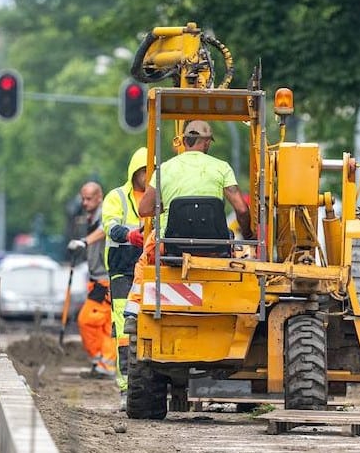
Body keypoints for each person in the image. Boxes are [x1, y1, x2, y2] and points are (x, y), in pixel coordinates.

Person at [137, 119, 253, 242]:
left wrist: (169, 206)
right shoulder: (222, 168)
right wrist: (248, 235)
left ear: (184, 141)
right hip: (213, 245)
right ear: (207, 142)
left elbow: (144, 209)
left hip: (171, 245)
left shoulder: (164, 169)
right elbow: (242, 210)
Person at [101, 148, 148, 409]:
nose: (146, 177)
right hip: (122, 270)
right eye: (143, 172)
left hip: (149, 268)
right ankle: (126, 386)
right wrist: (129, 235)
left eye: (149, 172)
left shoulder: (157, 196)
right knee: (123, 328)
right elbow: (109, 225)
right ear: (134, 173)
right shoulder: (117, 197)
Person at [69, 181, 116, 378]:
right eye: (83, 198)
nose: (85, 202)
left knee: (91, 321)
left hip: (104, 280)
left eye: (89, 198)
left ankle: (105, 364)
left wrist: (84, 242)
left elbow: (106, 228)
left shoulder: (105, 213)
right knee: (100, 323)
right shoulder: (91, 217)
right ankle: (101, 364)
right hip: (97, 279)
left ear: (99, 197)